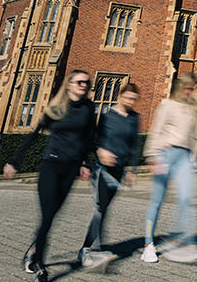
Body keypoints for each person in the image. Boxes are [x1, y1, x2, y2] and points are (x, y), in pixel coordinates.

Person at [3, 69, 96, 281]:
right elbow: (34, 134)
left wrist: (86, 163)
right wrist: (14, 161)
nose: (84, 85)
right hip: (51, 167)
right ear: (70, 84)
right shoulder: (56, 107)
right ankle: (40, 267)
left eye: (87, 83)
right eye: (80, 82)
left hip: (70, 169)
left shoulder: (89, 109)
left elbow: (89, 139)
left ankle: (32, 252)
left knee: (51, 217)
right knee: (46, 217)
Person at [142, 73, 197, 264]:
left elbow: (195, 136)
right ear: (180, 87)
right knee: (157, 201)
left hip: (184, 157)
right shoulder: (167, 105)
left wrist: (194, 158)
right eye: (187, 87)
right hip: (165, 154)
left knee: (186, 199)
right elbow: (156, 130)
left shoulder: (193, 109)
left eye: (192, 88)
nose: (190, 91)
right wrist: (153, 156)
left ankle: (182, 241)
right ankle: (148, 245)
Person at [79, 82, 140, 266]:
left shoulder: (134, 118)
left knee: (105, 209)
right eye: (128, 98)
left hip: (118, 171)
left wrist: (132, 169)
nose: (130, 102)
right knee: (100, 209)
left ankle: (96, 248)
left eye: (134, 100)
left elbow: (135, 146)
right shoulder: (106, 116)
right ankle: (86, 250)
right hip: (102, 169)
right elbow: (91, 141)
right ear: (120, 96)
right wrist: (99, 151)